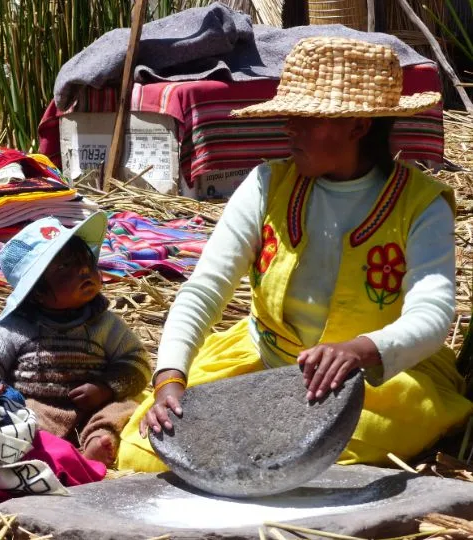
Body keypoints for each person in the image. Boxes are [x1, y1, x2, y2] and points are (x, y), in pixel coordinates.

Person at [117, 37, 473, 471]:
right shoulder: (268, 186)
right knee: (143, 452)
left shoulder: (420, 203)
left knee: (323, 455)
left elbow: (433, 315)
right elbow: (204, 290)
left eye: (303, 119)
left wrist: (361, 350)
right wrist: (170, 378)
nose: (289, 129)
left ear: (357, 125)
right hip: (264, 363)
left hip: (381, 380)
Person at [0, 213, 152, 466]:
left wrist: (106, 388)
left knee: (126, 408)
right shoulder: (17, 328)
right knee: (19, 420)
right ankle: (49, 452)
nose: (84, 269)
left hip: (94, 408)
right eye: (64, 267)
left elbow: (137, 361)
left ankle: (98, 442)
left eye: (86, 261)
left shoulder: (105, 324)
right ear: (37, 291)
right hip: (40, 408)